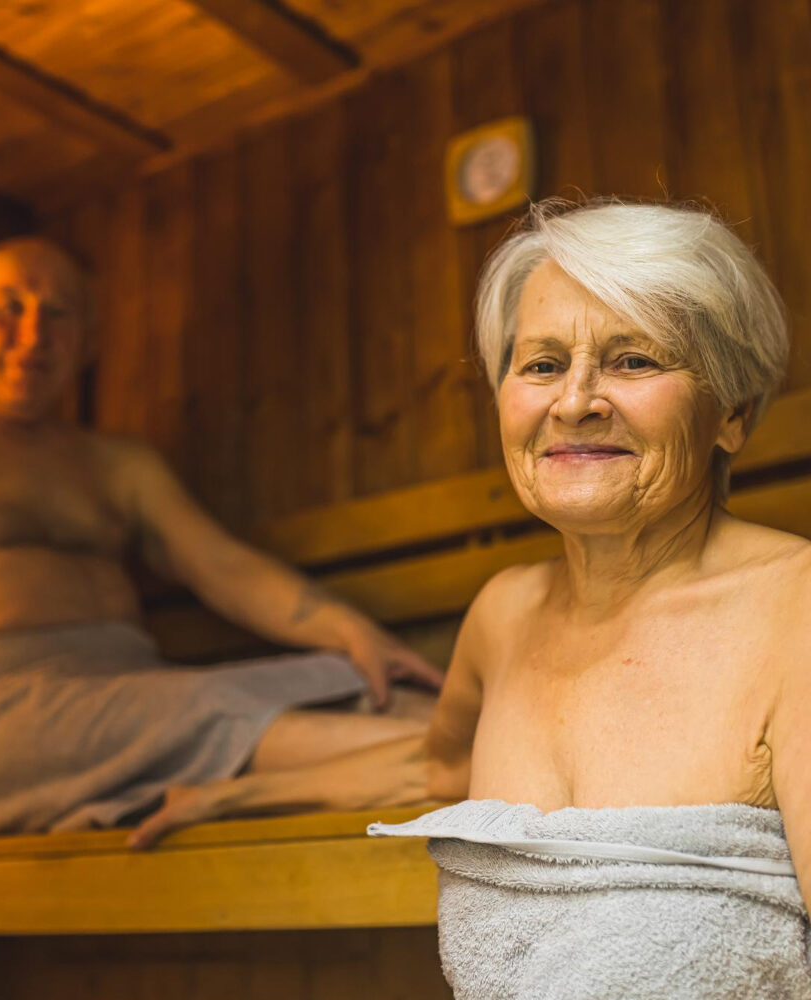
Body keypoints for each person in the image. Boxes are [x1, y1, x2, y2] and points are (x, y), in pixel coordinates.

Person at [136, 199, 811, 997]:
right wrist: (233, 793)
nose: (574, 401)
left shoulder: (791, 610)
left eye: (633, 361)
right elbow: (440, 773)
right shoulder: (503, 615)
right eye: (542, 364)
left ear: (730, 413)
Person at [0, 236, 442, 913]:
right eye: (8, 307)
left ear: (89, 341)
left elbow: (219, 565)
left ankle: (453, 758)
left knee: (370, 690)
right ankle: (458, 765)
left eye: (59, 313)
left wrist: (354, 633)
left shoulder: (115, 464)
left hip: (135, 704)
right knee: (229, 712)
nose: (34, 332)